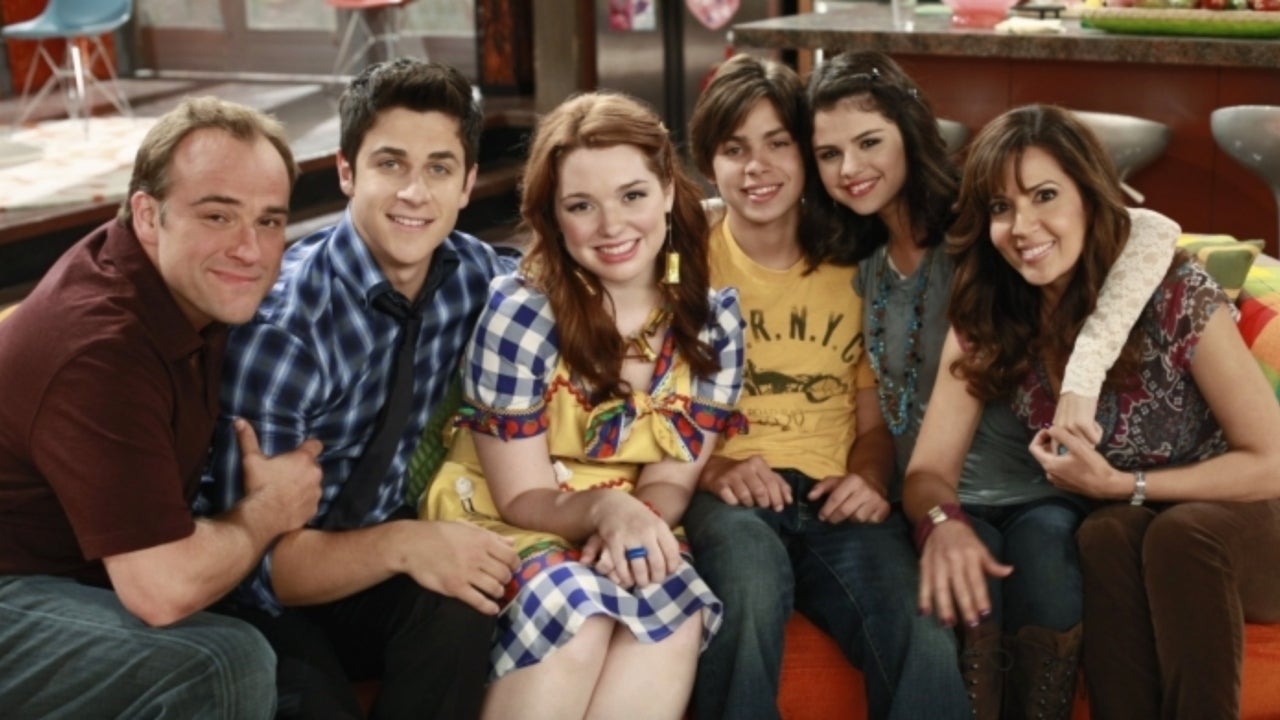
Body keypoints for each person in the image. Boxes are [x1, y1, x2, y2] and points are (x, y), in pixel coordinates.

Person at [806, 52, 1177, 718]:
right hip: (930, 494)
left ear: (909, 132)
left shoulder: (986, 229)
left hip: (1036, 487)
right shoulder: (858, 259)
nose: (850, 167)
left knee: (1046, 569)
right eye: (829, 154)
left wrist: (1084, 374)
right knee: (962, 610)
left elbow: (1147, 228)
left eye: (869, 142)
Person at [202, 58, 521, 718]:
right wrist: (407, 543)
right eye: (390, 164)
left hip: (370, 569)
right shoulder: (285, 330)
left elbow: (577, 292)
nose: (415, 192)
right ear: (347, 171)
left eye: (439, 168)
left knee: (463, 600)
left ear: (467, 185)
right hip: (261, 593)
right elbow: (260, 568)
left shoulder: (473, 277)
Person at [942, 103, 1280, 720]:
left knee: (1179, 533)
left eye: (1045, 195)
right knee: (1101, 535)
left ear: (1090, 197)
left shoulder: (1176, 293)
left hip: (1252, 519)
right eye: (1001, 207)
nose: (1023, 226)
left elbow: (1272, 462)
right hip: (1141, 525)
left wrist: (1125, 485)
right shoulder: (1005, 314)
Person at [422, 90, 742, 720]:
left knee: (672, 615)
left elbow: (671, 481)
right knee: (578, 612)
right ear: (553, 216)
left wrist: (630, 525)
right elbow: (521, 496)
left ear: (668, 192)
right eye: (581, 206)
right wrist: (604, 511)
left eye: (632, 195)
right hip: (511, 512)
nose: (611, 226)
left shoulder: (712, 327)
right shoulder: (522, 315)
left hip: (630, 514)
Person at [0, 96, 324, 718]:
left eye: (269, 221)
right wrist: (269, 508)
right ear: (148, 216)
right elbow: (162, 589)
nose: (250, 249)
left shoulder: (187, 283)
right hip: (16, 591)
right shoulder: (99, 351)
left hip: (83, 579)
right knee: (224, 663)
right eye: (218, 216)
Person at [680, 53, 972, 720]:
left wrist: (868, 479)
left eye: (778, 144)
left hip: (832, 495)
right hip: (728, 494)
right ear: (708, 161)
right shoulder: (686, 257)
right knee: (749, 590)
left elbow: (872, 425)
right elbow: (649, 402)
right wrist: (713, 469)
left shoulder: (855, 263)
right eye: (734, 149)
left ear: (805, 156)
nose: (757, 167)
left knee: (920, 622)